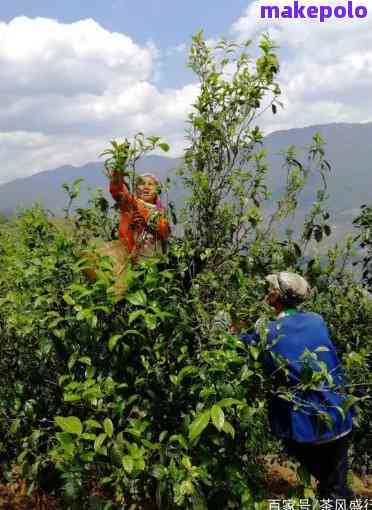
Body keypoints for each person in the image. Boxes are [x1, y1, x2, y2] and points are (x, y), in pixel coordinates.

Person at [240, 272, 354, 500]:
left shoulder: (268, 332)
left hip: (309, 428)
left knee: (331, 486)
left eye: (268, 289)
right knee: (335, 484)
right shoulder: (316, 319)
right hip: (341, 417)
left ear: (274, 296)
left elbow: (240, 344)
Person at [110, 170, 170, 261]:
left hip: (155, 262)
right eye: (142, 184)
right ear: (136, 189)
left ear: (157, 190)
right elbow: (118, 192)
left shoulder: (160, 212)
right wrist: (118, 168)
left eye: (150, 184)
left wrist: (148, 223)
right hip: (133, 262)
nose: (146, 187)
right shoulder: (132, 204)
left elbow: (165, 232)